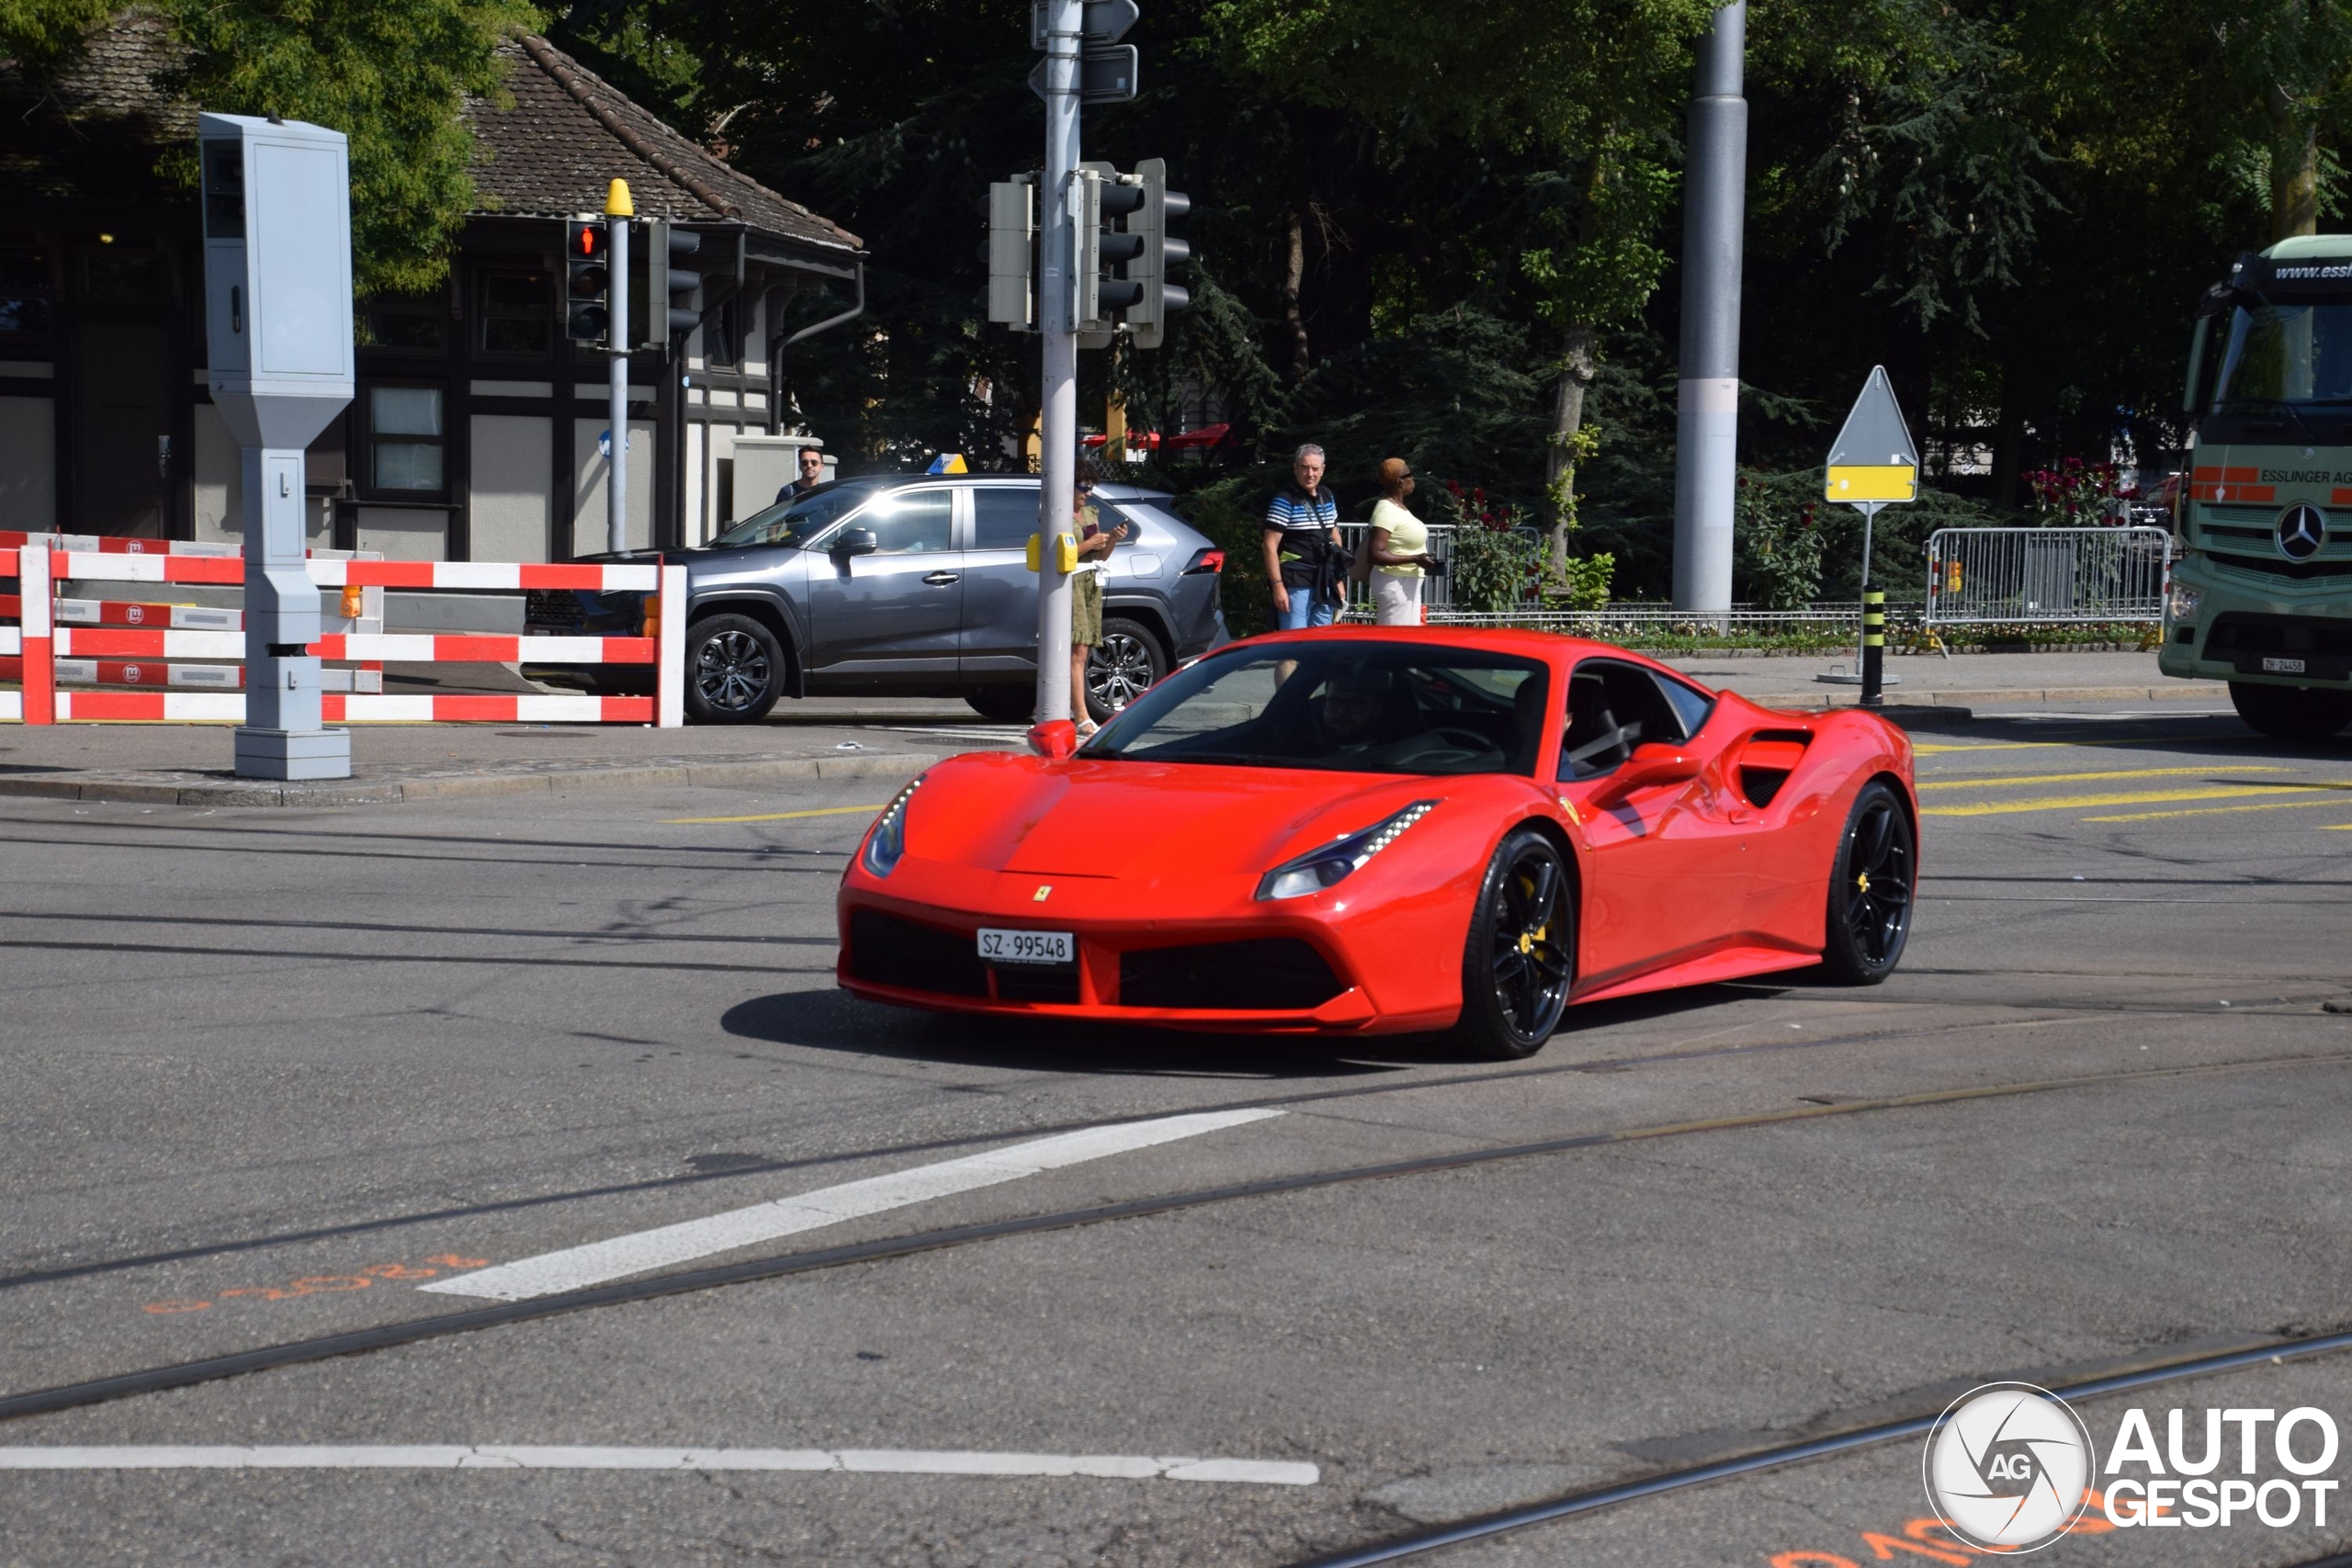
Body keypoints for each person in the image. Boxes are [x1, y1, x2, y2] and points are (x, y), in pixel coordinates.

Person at [1069, 461, 1130, 735]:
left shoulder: (1091, 512)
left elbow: (1100, 556)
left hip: (1091, 581)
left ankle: (1064, 707)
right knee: (1077, 650)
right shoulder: (1058, 514)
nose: (1088, 493)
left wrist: (1112, 539)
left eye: (1091, 488)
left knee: (1083, 649)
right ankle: (1081, 714)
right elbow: (1057, 553)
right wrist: (1088, 544)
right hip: (1069, 584)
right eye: (1083, 487)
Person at [1263, 444, 1344, 630]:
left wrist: (1339, 579)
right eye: (1304, 467)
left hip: (1324, 581)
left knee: (1320, 646)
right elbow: (1269, 545)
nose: (1310, 474)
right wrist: (1277, 586)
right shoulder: (1284, 500)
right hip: (1296, 582)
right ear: (1295, 468)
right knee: (1294, 645)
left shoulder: (1327, 495)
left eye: (1315, 468)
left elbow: (1335, 537)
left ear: (1323, 470)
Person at [1366, 457, 1438, 626]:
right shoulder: (1386, 510)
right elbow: (1375, 554)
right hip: (1395, 584)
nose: (1413, 479)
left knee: (1407, 640)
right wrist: (1414, 559)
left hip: (1406, 583)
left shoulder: (1399, 509)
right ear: (1400, 482)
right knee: (1393, 641)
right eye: (1410, 475)